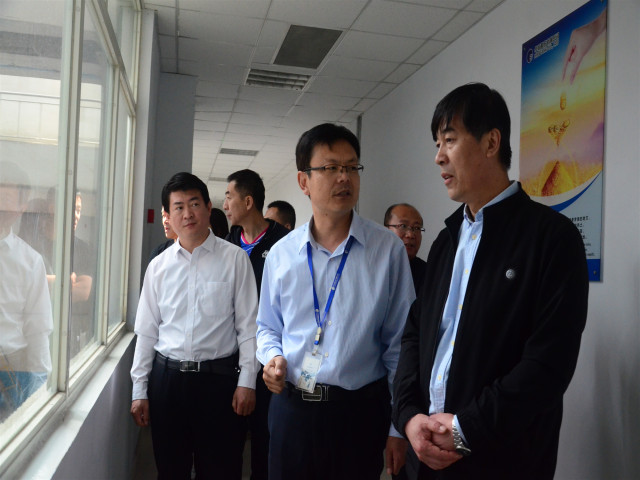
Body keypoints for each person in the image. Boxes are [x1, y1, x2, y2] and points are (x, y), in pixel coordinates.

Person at [392, 83, 589, 479]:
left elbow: (548, 364)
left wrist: (466, 430)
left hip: (501, 459)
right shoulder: (446, 242)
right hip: (425, 453)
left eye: (450, 140)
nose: (438, 156)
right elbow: (416, 334)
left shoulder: (552, 238)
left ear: (491, 143)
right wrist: (409, 416)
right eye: (437, 143)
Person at [256, 123, 415, 480]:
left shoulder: (387, 250)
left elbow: (401, 346)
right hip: (293, 409)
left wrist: (397, 425)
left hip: (358, 414)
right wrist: (272, 357)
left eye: (352, 167)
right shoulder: (281, 254)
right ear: (304, 181)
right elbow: (266, 326)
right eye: (331, 168)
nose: (344, 177)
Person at [130, 172, 259, 480]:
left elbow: (249, 327)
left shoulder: (235, 259)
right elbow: (147, 331)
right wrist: (139, 389)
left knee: (221, 470)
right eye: (178, 207)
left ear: (208, 207)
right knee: (170, 469)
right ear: (168, 215)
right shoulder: (158, 267)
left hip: (219, 383)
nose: (187, 213)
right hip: (168, 382)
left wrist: (247, 382)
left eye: (194, 204)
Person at [223, 168, 289, 480]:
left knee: (265, 444)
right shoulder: (227, 245)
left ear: (248, 202)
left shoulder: (283, 245)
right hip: (230, 361)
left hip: (269, 362)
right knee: (228, 445)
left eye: (229, 197)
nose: (225, 205)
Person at [0, 161, 53, 423]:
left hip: (9, 374)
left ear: (21, 208)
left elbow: (38, 330)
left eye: (7, 202)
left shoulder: (30, 261)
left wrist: (40, 392)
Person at [384, 203, 427, 294]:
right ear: (385, 230)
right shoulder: (371, 266)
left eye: (417, 228)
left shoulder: (429, 274)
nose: (410, 235)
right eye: (403, 226)